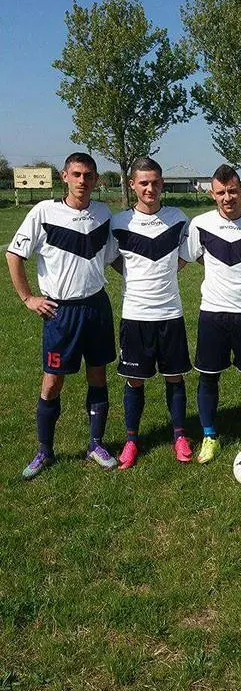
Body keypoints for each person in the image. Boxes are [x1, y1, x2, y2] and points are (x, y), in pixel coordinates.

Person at [6, 152, 117, 479]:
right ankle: (45, 451)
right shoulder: (44, 212)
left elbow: (113, 258)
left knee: (98, 375)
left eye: (89, 175)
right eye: (77, 174)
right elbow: (14, 254)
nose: (83, 181)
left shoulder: (103, 214)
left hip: (96, 306)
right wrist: (28, 298)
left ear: (96, 180)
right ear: (64, 177)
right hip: (61, 311)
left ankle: (96, 444)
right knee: (53, 381)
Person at [183, 164, 241, 463]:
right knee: (208, 376)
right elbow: (192, 257)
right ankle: (209, 436)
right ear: (213, 194)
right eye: (221, 192)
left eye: (233, 191)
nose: (228, 197)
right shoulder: (200, 225)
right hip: (213, 313)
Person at [110, 157, 192, 469]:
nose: (150, 188)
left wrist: (166, 274)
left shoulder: (177, 218)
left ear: (162, 184)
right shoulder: (119, 222)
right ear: (132, 184)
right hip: (135, 314)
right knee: (135, 380)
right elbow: (113, 258)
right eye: (143, 183)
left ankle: (180, 435)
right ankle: (131, 440)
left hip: (170, 312)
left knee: (175, 376)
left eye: (155, 182)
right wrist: (136, 278)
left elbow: (185, 256)